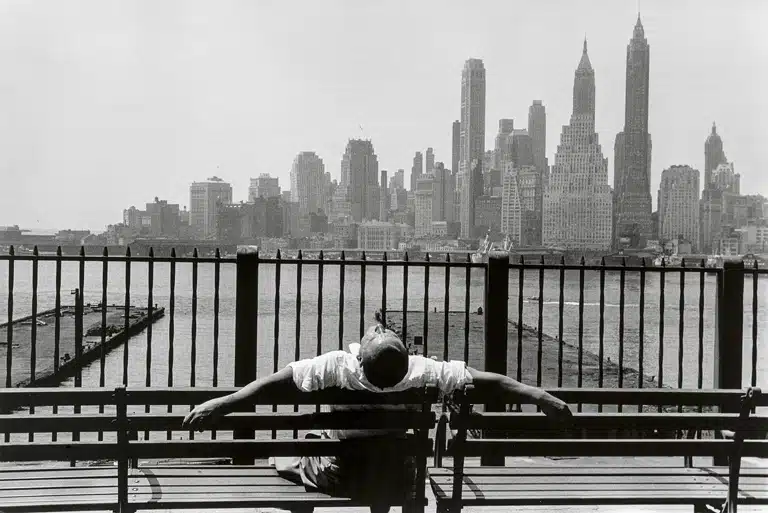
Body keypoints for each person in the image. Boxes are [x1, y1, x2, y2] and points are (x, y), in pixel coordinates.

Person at [183, 313, 573, 512]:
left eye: (375, 332)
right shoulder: (422, 371)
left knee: (289, 453)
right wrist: (540, 396)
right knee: (388, 454)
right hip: (398, 477)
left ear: (362, 359)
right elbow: (488, 382)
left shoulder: (337, 366)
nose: (375, 327)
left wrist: (221, 403)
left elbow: (274, 382)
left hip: (344, 475)